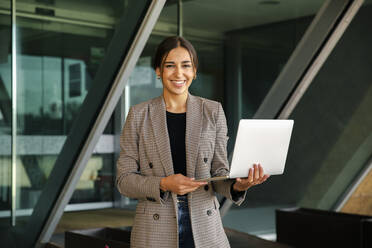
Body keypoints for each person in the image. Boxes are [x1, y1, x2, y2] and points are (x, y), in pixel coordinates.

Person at [116, 36, 270, 248]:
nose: (179, 73)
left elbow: (218, 172)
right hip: (154, 230)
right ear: (158, 71)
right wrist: (163, 184)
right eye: (170, 65)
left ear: (194, 72)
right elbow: (124, 181)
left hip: (205, 227)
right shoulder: (138, 115)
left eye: (186, 66)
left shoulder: (213, 111)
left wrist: (239, 185)